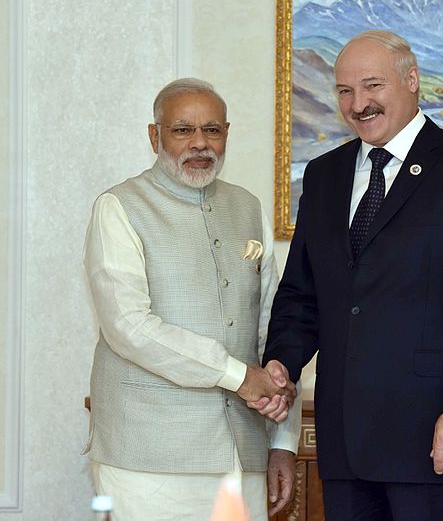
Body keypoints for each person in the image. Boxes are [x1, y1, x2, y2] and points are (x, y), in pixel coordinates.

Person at [261, 30, 443, 520]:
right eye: (344, 91)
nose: (358, 104)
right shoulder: (323, 177)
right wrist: (281, 362)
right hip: (347, 447)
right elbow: (303, 294)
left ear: (412, 80)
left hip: (442, 441)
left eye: (372, 86)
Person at [83, 78, 299, 520]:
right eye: (183, 130)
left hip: (244, 452)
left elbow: (270, 326)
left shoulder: (246, 206)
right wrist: (237, 375)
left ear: (226, 134)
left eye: (213, 130)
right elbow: (128, 326)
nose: (200, 143)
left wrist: (282, 444)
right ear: (154, 135)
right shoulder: (119, 207)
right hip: (147, 456)